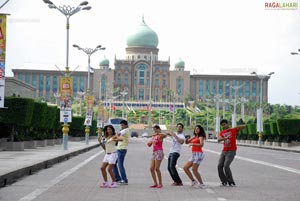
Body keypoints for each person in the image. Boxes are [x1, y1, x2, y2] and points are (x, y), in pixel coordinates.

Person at [217, 119, 246, 186]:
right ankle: (224, 181)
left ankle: (230, 181)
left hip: (231, 151)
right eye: (222, 125)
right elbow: (218, 140)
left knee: (226, 166)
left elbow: (244, 126)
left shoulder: (233, 130)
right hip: (224, 151)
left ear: (227, 123)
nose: (224, 126)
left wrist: (236, 127)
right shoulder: (222, 132)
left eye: (225, 124)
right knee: (219, 165)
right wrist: (225, 138)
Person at [113, 120, 130, 185]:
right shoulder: (126, 130)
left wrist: (114, 138)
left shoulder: (125, 130)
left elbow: (118, 134)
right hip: (120, 148)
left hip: (122, 149)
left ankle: (124, 179)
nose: (122, 126)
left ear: (125, 125)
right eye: (121, 125)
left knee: (120, 165)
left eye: (122, 125)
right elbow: (120, 137)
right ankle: (117, 178)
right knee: (114, 163)